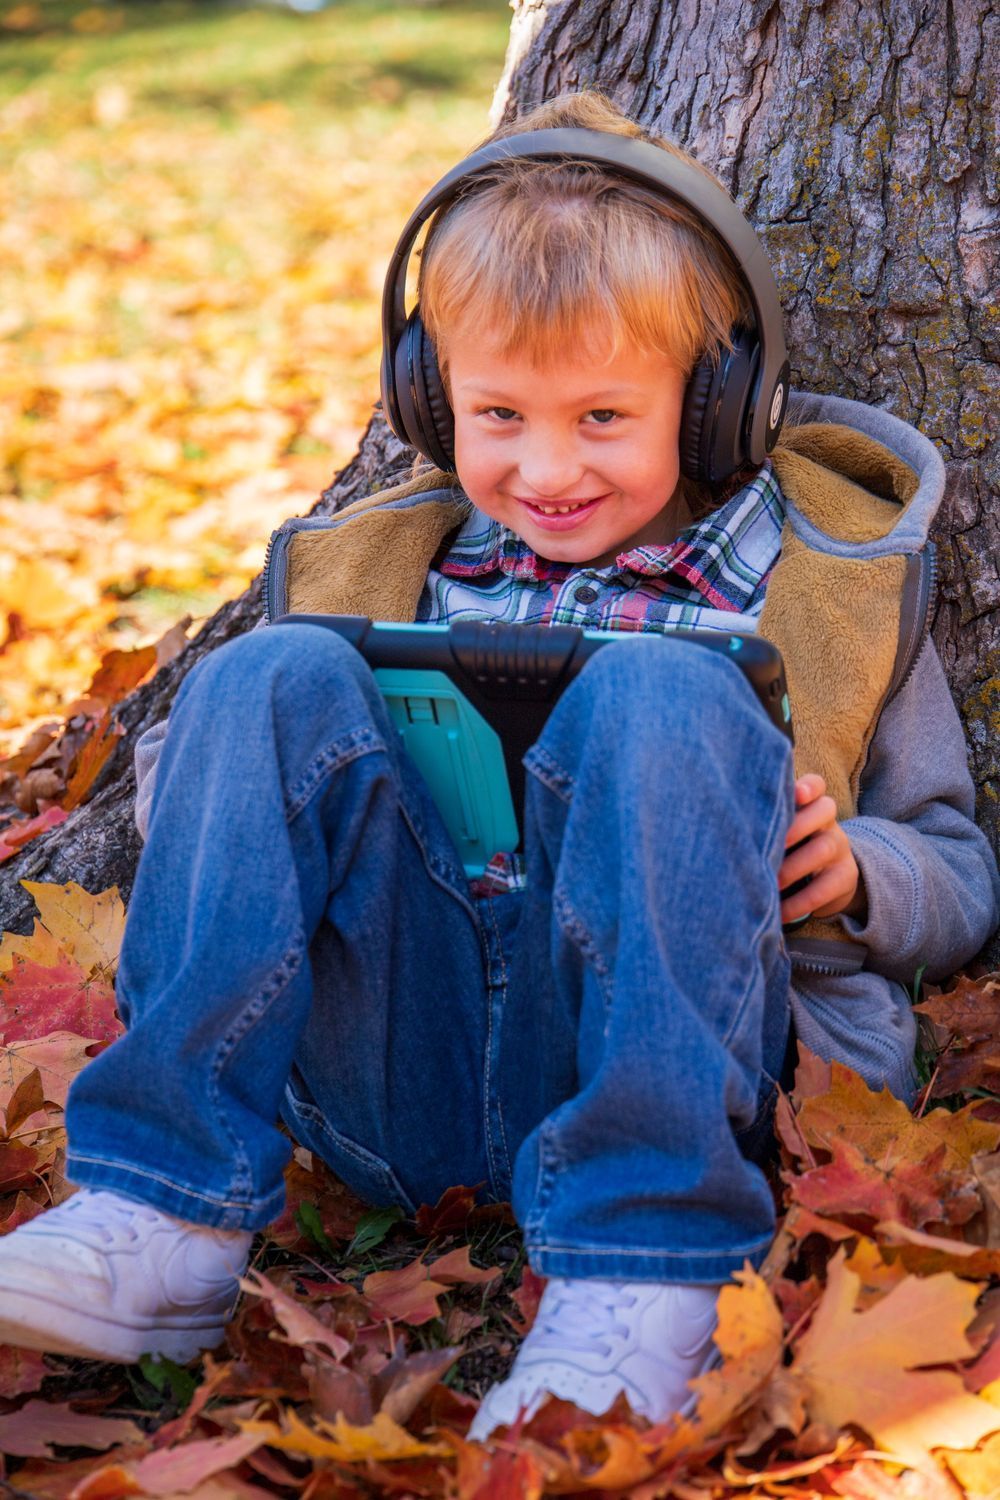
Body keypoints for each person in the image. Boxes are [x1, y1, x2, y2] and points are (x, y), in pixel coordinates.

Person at [0, 91, 996, 1440]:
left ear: (715, 406)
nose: (545, 468)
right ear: (427, 397)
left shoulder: (830, 587)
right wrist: (232, 782)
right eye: (498, 415)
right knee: (265, 671)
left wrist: (855, 871)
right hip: (400, 1076)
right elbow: (247, 808)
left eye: (602, 417)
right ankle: (161, 1215)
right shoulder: (380, 566)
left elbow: (954, 869)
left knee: (660, 685)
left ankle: (647, 1269)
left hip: (680, 1076)